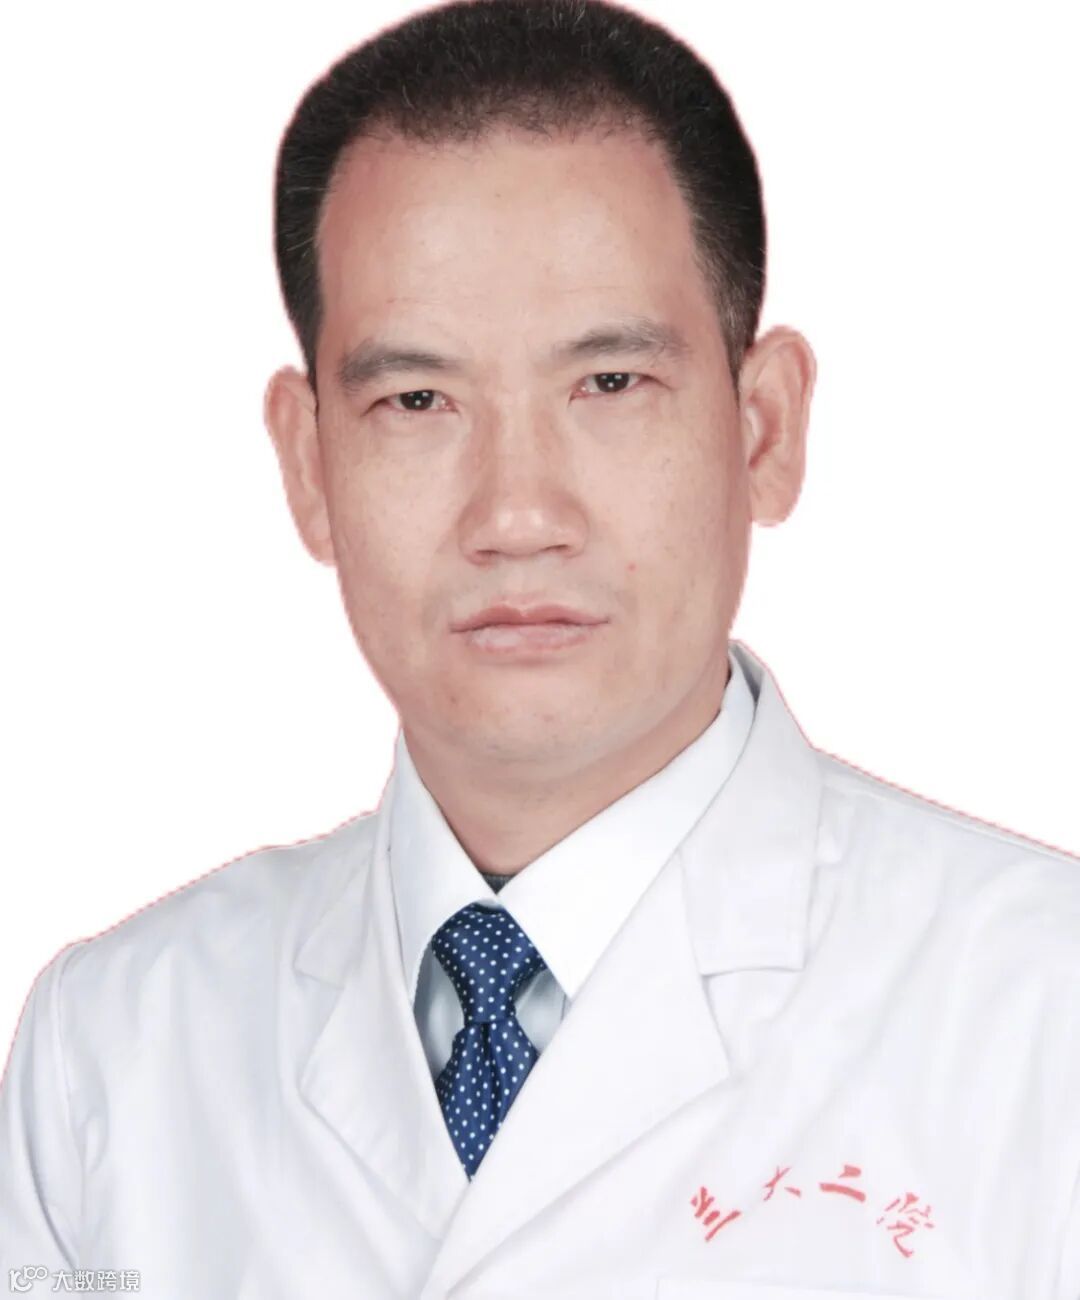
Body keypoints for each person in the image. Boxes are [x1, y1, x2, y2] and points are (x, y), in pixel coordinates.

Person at [2, 0, 1078, 1295]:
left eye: (609, 385)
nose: (516, 515)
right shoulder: (115, 1048)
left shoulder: (1041, 1016)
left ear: (764, 429)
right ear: (308, 464)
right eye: (417, 399)